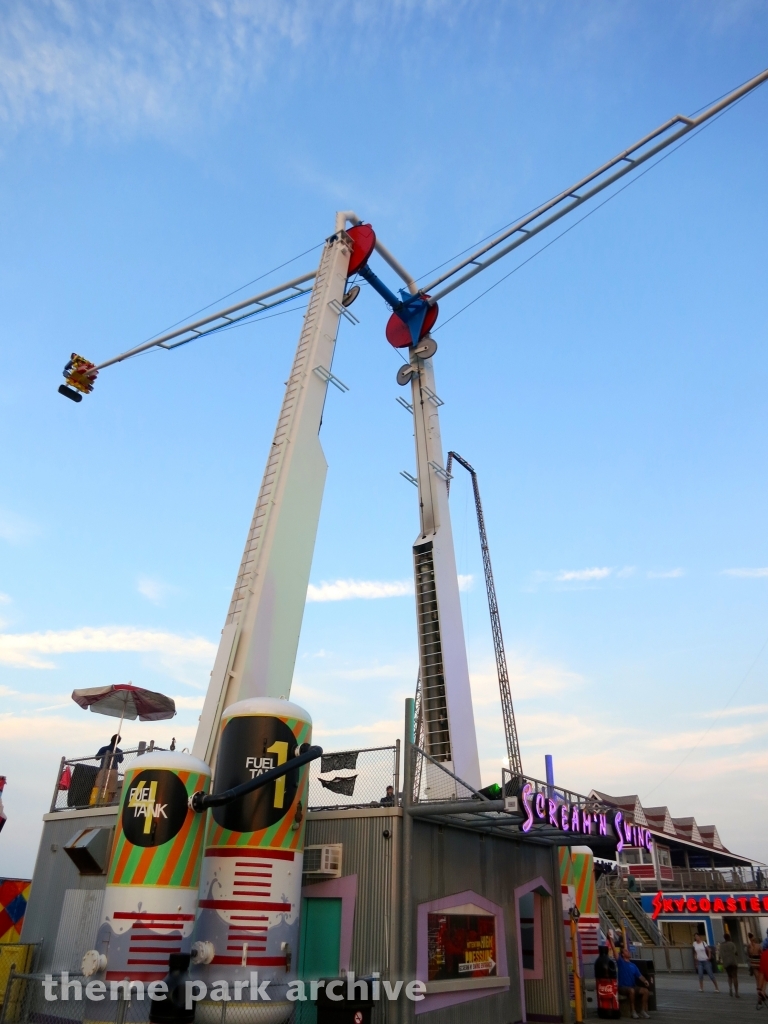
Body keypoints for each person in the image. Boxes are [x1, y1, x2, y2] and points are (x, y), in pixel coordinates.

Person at [616, 947, 650, 1019]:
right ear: (622, 954)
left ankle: (642, 1011)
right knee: (632, 990)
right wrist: (611, 940)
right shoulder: (621, 962)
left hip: (632, 986)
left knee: (645, 991)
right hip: (622, 987)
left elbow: (640, 976)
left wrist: (645, 981)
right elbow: (614, 951)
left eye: (628, 951)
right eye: (626, 951)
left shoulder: (633, 965)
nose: (628, 952)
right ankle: (633, 1011)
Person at [91, 734, 124, 805]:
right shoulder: (119, 751)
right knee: (111, 790)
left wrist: (104, 755)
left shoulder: (104, 748)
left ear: (111, 739)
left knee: (99, 787)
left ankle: (97, 803)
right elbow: (121, 760)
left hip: (104, 769)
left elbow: (97, 758)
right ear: (118, 742)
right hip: (114, 771)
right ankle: (107, 805)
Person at [719, 931, 739, 998]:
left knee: (729, 976)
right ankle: (736, 992)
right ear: (729, 937)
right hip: (733, 962)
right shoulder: (732, 944)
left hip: (726, 963)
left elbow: (720, 955)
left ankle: (730, 988)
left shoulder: (721, 945)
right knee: (735, 977)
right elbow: (735, 952)